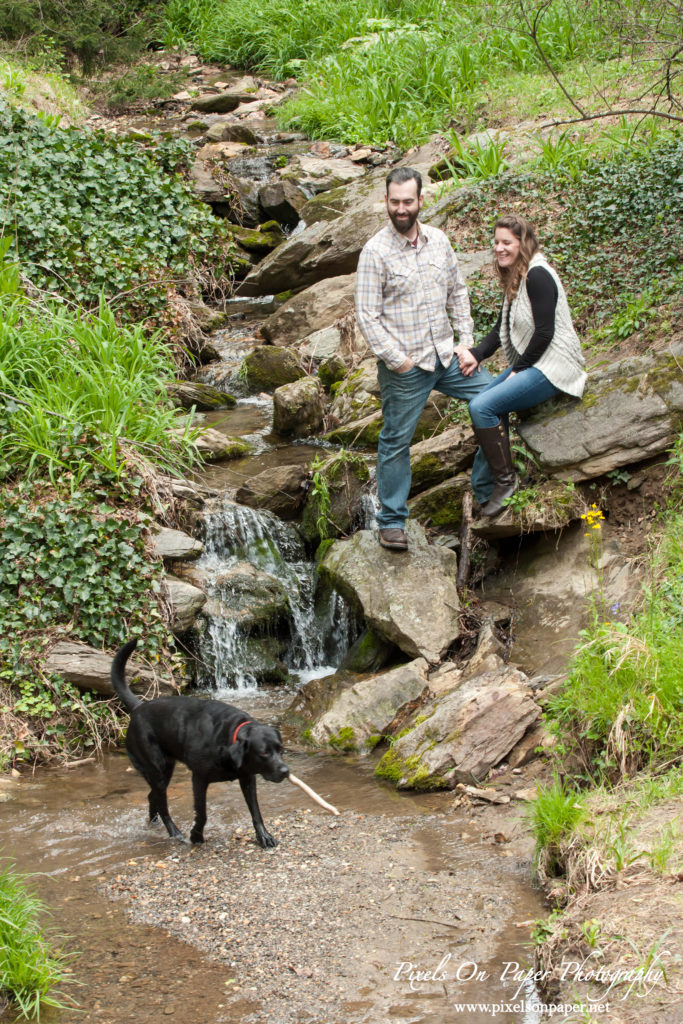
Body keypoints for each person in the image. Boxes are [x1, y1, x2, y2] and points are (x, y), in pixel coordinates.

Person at [355, 166, 494, 551]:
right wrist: (397, 360)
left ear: (421, 200)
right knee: (396, 441)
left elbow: (458, 293)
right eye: (394, 202)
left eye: (408, 201)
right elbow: (367, 315)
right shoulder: (375, 252)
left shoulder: (439, 241)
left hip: (448, 357)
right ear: (386, 201)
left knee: (496, 400)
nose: (401, 209)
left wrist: (467, 343)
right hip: (406, 367)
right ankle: (392, 522)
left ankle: (488, 489)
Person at [458, 214, 586, 517]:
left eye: (507, 243)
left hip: (554, 367)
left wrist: (518, 369)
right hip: (536, 364)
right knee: (480, 402)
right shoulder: (518, 275)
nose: (500, 248)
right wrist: (477, 353)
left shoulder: (538, 275)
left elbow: (545, 332)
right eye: (497, 242)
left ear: (522, 243)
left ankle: (505, 483)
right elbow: (501, 329)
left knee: (482, 407)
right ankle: (487, 488)